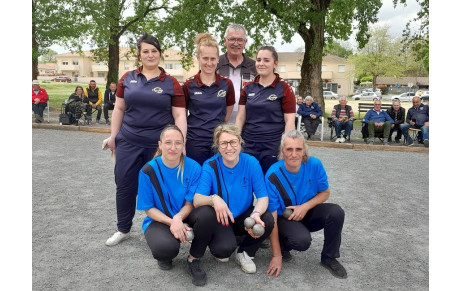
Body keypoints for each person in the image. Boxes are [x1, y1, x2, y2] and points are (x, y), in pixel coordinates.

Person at [105, 33, 187, 246]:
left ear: (160, 53)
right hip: (129, 142)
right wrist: (114, 137)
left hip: (158, 146)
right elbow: (119, 108)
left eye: (154, 51)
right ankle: (123, 228)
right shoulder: (127, 78)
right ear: (139, 54)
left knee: (161, 187)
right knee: (124, 185)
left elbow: (179, 115)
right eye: (145, 51)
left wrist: (180, 143)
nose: (150, 55)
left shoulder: (171, 83)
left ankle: (165, 228)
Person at [137, 125, 214, 286]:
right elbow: (148, 208)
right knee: (165, 250)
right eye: (168, 142)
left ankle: (194, 258)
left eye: (178, 143)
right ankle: (166, 251)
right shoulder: (147, 170)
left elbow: (190, 203)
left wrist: (178, 218)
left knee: (207, 213)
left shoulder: (193, 167)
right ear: (160, 144)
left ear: (183, 144)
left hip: (186, 214)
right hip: (160, 219)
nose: (173, 147)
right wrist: (172, 222)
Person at [265, 130, 347, 279]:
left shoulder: (314, 164)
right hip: (285, 218)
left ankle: (329, 257)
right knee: (302, 241)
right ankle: (283, 245)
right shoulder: (273, 175)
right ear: (282, 151)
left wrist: (305, 207)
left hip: (307, 211)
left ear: (304, 150)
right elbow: (273, 219)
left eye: (298, 149)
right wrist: (276, 255)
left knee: (336, 212)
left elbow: (325, 192)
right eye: (289, 149)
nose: (294, 154)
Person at [193, 124, 274, 274]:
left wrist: (256, 213)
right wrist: (214, 199)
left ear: (240, 143)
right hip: (221, 218)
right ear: (217, 146)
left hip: (242, 215)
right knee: (222, 251)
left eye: (233, 142)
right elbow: (197, 200)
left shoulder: (251, 162)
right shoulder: (210, 165)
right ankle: (227, 241)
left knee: (267, 219)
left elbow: (263, 197)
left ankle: (244, 252)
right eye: (223, 143)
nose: (229, 147)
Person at [235, 46, 296, 175]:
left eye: (266, 60)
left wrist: (286, 146)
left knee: (271, 187)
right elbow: (240, 117)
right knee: (246, 185)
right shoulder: (248, 88)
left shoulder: (284, 88)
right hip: (248, 146)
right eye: (258, 60)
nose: (261, 64)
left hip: (273, 146)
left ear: (275, 63)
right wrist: (235, 141)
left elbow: (289, 120)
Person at [183, 32, 235, 165]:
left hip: (219, 142)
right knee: (197, 180)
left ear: (218, 59)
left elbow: (227, 113)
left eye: (213, 59)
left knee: (217, 181)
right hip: (195, 142)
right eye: (205, 58)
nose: (209, 63)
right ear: (198, 58)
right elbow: (182, 115)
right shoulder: (189, 85)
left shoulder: (226, 84)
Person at [216, 24, 257, 123]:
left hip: (248, 122)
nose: (236, 43)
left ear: (245, 42)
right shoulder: (215, 63)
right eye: (232, 39)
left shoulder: (255, 66)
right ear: (225, 41)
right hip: (219, 120)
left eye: (240, 40)